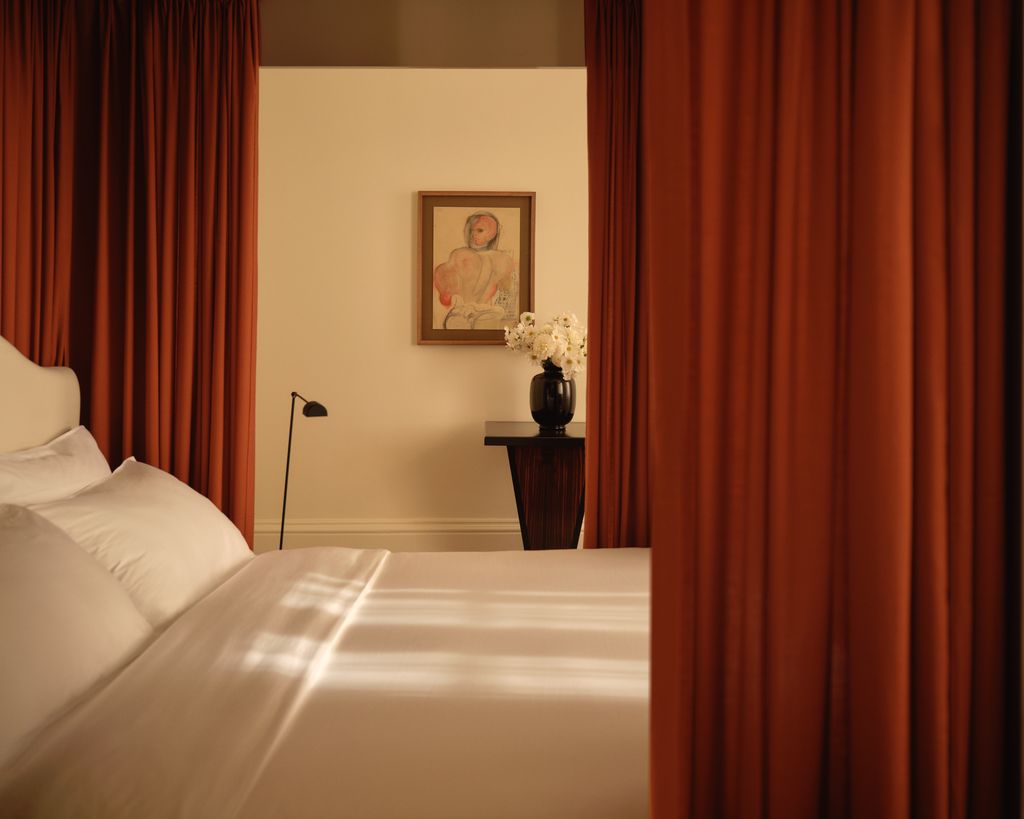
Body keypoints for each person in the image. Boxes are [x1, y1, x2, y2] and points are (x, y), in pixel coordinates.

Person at [433, 211, 516, 330]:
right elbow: (446, 296)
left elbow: (506, 292)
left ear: (492, 234)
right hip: (461, 316)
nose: (473, 234)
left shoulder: (502, 260)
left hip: (487, 315)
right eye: (471, 230)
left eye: (480, 230)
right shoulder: (459, 255)